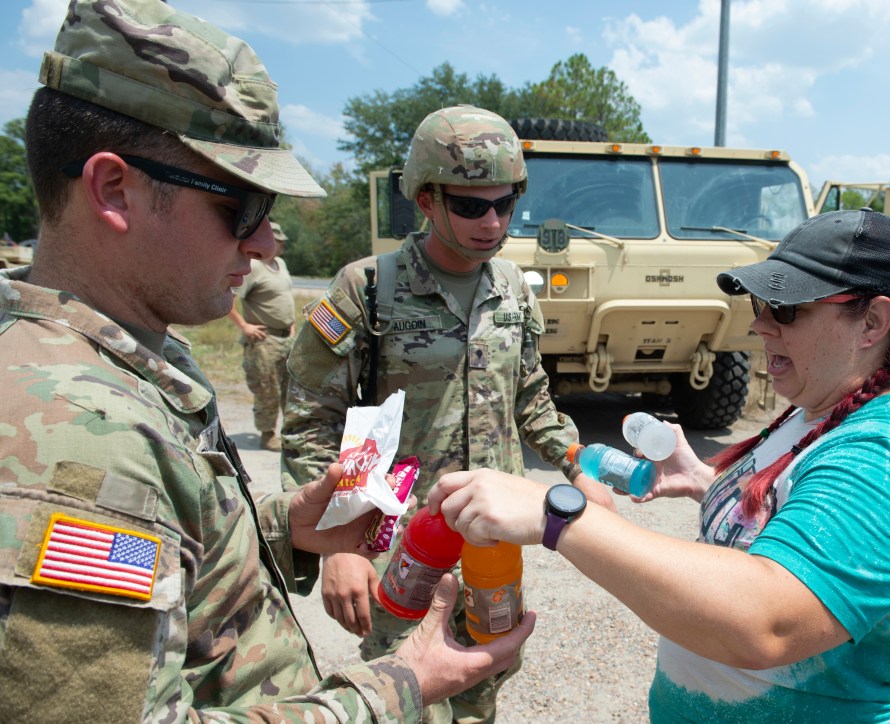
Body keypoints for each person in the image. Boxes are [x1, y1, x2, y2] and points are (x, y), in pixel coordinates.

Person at [0, 1, 533, 721]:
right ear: (114, 189)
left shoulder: (130, 365)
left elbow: (172, 571)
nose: (265, 246)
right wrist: (397, 686)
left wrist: (280, 529)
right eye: (243, 205)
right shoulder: (77, 439)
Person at [428, 208, 890, 721]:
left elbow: (764, 622)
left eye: (785, 310)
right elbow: (792, 511)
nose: (762, 327)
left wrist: (559, 518)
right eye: (759, 307)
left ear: (872, 323)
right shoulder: (821, 409)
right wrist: (707, 483)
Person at [282, 104, 610, 723]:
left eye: (505, 203)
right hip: (401, 544)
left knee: (486, 673)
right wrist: (337, 546)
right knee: (404, 690)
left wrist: (577, 464)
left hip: (492, 538)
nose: (492, 221)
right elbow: (309, 422)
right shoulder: (367, 288)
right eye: (470, 205)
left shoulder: (512, 286)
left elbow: (531, 398)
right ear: (426, 199)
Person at [228, 220, 295, 451]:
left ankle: (290, 432)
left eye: (280, 241)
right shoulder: (254, 267)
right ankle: (267, 435)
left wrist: (291, 325)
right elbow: (230, 298)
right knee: (267, 389)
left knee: (290, 389)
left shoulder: (281, 264)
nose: (279, 244)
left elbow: (283, 297)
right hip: (264, 339)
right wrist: (245, 326)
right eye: (276, 240)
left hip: (286, 338)